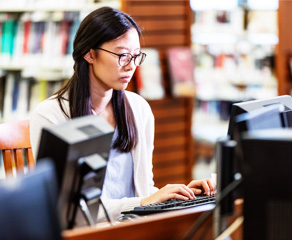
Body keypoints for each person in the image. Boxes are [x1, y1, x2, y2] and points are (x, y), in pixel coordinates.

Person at [30, 7, 215, 223]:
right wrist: (143, 203)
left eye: (136, 56)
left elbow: (144, 190)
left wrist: (179, 196)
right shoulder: (51, 115)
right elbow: (67, 210)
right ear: (89, 53)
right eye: (122, 55)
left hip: (133, 227)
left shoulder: (138, 109)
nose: (131, 66)